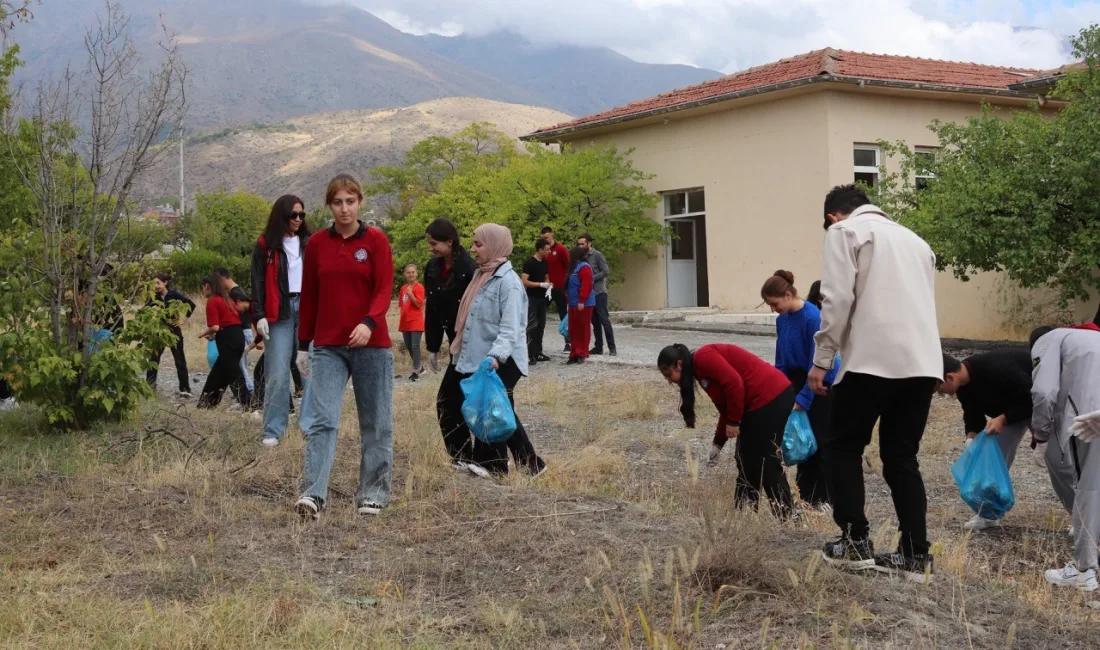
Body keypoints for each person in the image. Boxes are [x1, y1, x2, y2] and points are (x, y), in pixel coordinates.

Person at [808, 184, 942, 583]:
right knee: (902, 458)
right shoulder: (918, 242)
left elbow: (835, 300)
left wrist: (822, 359)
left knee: (843, 447)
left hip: (871, 359)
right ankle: (915, 555)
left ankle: (854, 542)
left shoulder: (845, 232)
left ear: (833, 215)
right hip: (922, 363)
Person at [295, 174, 395, 520]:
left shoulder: (378, 242)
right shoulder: (318, 244)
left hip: (372, 343)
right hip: (328, 345)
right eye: (337, 202)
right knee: (323, 420)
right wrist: (302, 346)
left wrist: (369, 322)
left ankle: (373, 494)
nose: (344, 209)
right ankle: (313, 495)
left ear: (360, 203)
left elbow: (384, 289)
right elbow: (309, 297)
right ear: (329, 206)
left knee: (376, 422)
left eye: (350, 201)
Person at [435, 223, 546, 477]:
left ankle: (493, 464)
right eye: (473, 243)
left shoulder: (509, 283)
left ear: (495, 245)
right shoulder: (481, 275)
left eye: (479, 244)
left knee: (492, 407)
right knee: (496, 406)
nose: (473, 249)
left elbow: (511, 328)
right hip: (477, 356)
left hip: (502, 358)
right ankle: (524, 464)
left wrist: (496, 356)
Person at [658, 343, 795, 515]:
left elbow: (734, 383)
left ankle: (787, 516)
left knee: (765, 460)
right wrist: (718, 443)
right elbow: (726, 406)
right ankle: (745, 515)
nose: (669, 381)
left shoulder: (703, 357)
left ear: (678, 364)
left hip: (770, 397)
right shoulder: (700, 373)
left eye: (667, 373)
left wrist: (734, 422)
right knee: (745, 458)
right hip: (760, 402)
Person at [1031, 326, 1100, 592]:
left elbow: (1043, 392)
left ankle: (1084, 572)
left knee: (1087, 490)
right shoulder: (1089, 338)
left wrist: (1041, 436)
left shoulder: (1046, 341)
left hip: (1087, 421)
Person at [760, 270, 836, 507]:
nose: (773, 309)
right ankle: (807, 496)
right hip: (795, 382)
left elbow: (820, 363)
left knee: (821, 442)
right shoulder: (782, 320)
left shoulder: (813, 317)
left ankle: (825, 498)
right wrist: (778, 388)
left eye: (774, 303)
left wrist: (804, 399)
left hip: (820, 384)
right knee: (803, 440)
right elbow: (781, 359)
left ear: (788, 294)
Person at [937, 348, 1033, 531]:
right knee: (991, 459)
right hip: (1010, 413)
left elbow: (1035, 399)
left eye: (939, 388)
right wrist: (971, 437)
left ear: (950, 377)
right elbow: (973, 414)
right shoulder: (963, 388)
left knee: (1058, 460)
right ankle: (989, 514)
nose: (940, 393)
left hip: (1039, 406)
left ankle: (1083, 517)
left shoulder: (997, 369)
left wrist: (1003, 418)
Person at [252, 194, 314, 447]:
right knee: (276, 371)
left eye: (302, 215)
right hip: (279, 310)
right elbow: (257, 281)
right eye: (293, 215)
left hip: (309, 308)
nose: (298, 219)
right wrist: (258, 315)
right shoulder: (265, 244)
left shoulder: (311, 242)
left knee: (310, 369)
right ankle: (273, 430)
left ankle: (309, 426)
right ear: (282, 216)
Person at [424, 218, 477, 373]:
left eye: (434, 244)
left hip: (469, 339)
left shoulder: (470, 269)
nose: (430, 248)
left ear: (449, 242)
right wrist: (433, 347)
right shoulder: (432, 267)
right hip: (450, 335)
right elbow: (433, 308)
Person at [195, 273, 251, 410]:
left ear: (207, 286)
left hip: (227, 338)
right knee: (219, 373)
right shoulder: (228, 299)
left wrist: (203, 333)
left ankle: (249, 404)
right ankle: (206, 404)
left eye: (203, 287)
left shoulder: (213, 301)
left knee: (234, 374)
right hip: (238, 336)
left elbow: (215, 327)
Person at [145, 273, 196, 398]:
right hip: (159, 332)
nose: (156, 286)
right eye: (154, 283)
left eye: (158, 283)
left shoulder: (174, 295)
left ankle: (185, 389)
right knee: (153, 360)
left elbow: (191, 305)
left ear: (165, 283)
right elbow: (144, 310)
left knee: (179, 360)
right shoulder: (153, 298)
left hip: (174, 331)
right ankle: (149, 388)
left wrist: (182, 321)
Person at [214, 266, 256, 399]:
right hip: (244, 330)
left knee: (239, 365)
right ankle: (243, 390)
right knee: (237, 363)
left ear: (222, 279)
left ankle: (248, 390)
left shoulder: (234, 294)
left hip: (241, 331)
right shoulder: (237, 290)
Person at [577, 234, 616, 357]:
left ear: (589, 243)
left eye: (582, 244)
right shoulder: (581, 258)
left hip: (599, 292)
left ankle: (612, 348)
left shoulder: (597, 255)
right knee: (594, 321)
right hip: (588, 294)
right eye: (578, 244)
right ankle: (598, 346)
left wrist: (591, 279)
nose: (580, 246)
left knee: (604, 319)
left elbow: (606, 271)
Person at [520, 238, 553, 365]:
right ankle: (530, 354)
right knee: (531, 326)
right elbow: (524, 281)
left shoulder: (545, 263)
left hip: (542, 298)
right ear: (540, 250)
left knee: (541, 326)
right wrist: (540, 285)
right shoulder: (529, 263)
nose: (549, 251)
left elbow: (546, 276)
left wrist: (548, 284)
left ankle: (539, 352)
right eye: (547, 250)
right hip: (531, 298)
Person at [541, 226, 571, 352]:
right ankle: (537, 343)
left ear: (552, 235)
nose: (545, 240)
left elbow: (569, 266)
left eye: (546, 237)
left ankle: (568, 342)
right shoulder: (542, 251)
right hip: (547, 287)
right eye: (543, 238)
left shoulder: (561, 249)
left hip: (559, 287)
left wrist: (567, 286)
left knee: (563, 314)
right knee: (540, 312)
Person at [565, 246, 595, 365]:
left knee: (582, 328)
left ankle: (582, 352)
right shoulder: (573, 268)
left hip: (583, 304)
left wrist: (582, 300)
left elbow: (586, 285)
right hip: (573, 303)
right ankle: (574, 353)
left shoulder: (584, 267)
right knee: (573, 330)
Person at [398, 263, 426, 381]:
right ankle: (421, 368)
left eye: (412, 272)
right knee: (409, 346)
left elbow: (418, 304)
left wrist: (411, 295)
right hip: (405, 322)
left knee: (415, 346)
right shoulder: (403, 288)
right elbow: (401, 304)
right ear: (405, 274)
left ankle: (416, 371)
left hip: (415, 321)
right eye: (408, 272)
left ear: (416, 273)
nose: (411, 274)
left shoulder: (419, 287)